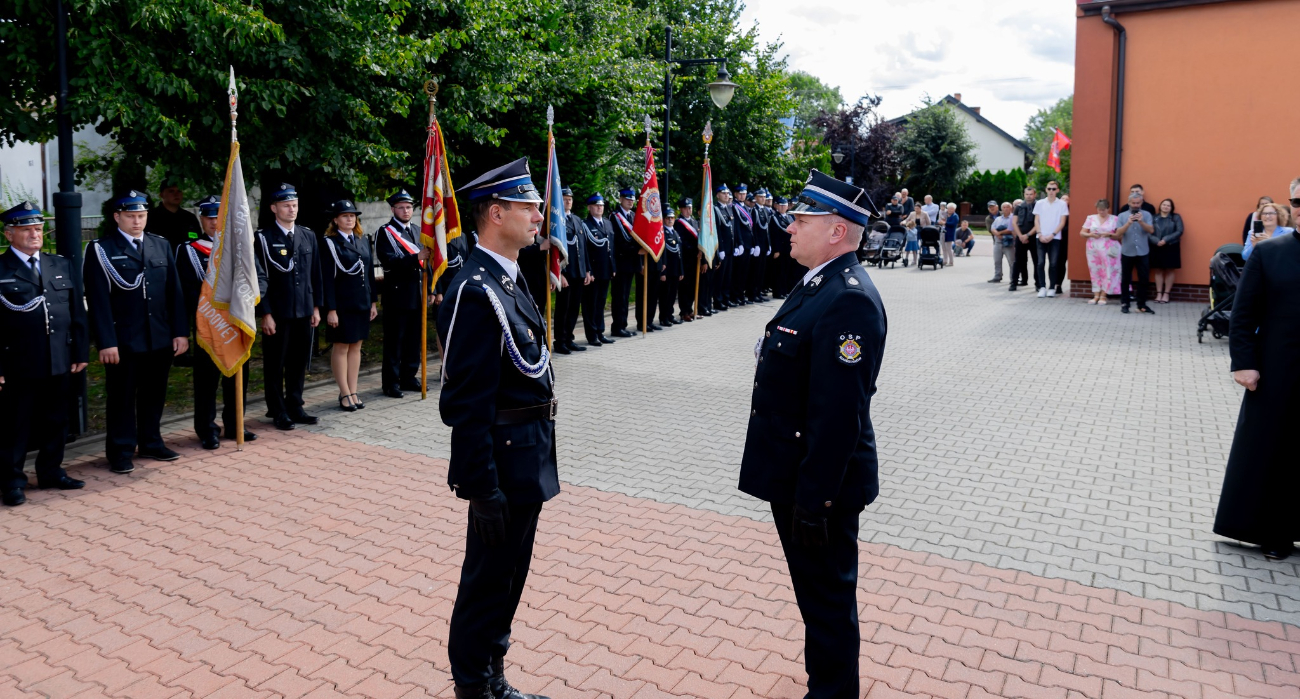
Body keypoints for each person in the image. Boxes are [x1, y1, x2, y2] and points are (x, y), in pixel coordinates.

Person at [739, 169, 886, 699]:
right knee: (817, 598)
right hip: (797, 477)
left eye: (802, 219)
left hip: (818, 487)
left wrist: (814, 502)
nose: (790, 227)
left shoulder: (849, 300)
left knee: (827, 604)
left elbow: (838, 416)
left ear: (837, 231)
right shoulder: (817, 285)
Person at [436, 158, 556, 699]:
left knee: (510, 579)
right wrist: (480, 486)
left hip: (527, 454)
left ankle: (494, 677)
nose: (539, 214)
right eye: (528, 206)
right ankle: (472, 687)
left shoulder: (509, 277)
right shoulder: (473, 289)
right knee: (486, 582)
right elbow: (465, 402)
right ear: (495, 212)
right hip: (499, 465)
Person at [1214, 177, 1300, 561]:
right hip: (1277, 369)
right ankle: (1274, 533)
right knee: (1275, 452)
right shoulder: (1270, 253)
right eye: (1297, 202)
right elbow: (1243, 313)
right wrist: (1244, 364)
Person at [83, 191, 189, 474]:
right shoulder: (101, 249)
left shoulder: (160, 245)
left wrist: (180, 332)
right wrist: (106, 342)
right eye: (130, 216)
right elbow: (98, 301)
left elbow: (173, 293)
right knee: (122, 397)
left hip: (159, 335)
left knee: (154, 393)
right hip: (124, 339)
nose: (137, 221)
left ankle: (151, 441)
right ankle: (120, 449)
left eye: (141, 215)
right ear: (117, 217)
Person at [0, 202, 88, 505]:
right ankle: (12, 481)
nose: (34, 234)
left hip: (59, 357)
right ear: (9, 234)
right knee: (16, 424)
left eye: (38, 228)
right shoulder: (1, 269)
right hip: (18, 361)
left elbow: (76, 313)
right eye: (26, 229)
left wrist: (80, 351)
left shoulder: (59, 265)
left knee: (56, 419)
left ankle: (51, 470)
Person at [178, 196, 255, 449]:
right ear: (201, 219)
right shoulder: (189, 250)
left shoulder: (240, 248)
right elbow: (186, 289)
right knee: (206, 381)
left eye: (219, 217)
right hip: (208, 324)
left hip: (235, 321)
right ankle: (207, 429)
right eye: (210, 217)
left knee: (237, 376)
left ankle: (235, 425)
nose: (215, 222)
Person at [254, 183, 323, 431]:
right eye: (286, 205)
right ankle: (277, 409)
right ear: (274, 208)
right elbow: (260, 279)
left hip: (303, 309)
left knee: (298, 361)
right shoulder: (263, 238)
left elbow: (316, 275)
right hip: (279, 313)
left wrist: (316, 308)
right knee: (275, 363)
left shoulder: (308, 235)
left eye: (294, 205)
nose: (291, 209)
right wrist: (266, 313)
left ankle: (295, 405)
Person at [321, 200, 378, 412]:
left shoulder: (362, 240)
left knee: (357, 346)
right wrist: (331, 309)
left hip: (361, 302)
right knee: (342, 346)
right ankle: (344, 393)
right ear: (335, 220)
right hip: (342, 304)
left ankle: (353, 391)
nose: (349, 219)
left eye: (352, 215)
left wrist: (373, 301)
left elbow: (370, 272)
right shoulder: (330, 243)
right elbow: (327, 279)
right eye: (345, 216)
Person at [375, 189, 427, 399]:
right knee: (395, 341)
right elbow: (389, 262)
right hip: (397, 295)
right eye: (401, 207)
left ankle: (409, 377)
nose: (406, 211)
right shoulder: (385, 231)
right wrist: (415, 258)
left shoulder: (416, 230)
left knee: (413, 340)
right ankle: (391, 383)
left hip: (416, 293)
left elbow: (425, 264)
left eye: (409, 207)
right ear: (393, 209)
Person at [552, 187, 590, 354]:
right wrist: (559, 273)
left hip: (579, 272)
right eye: (565, 199)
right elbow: (554, 250)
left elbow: (584, 247)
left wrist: (587, 270)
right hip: (566, 273)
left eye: (570, 199)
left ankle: (569, 338)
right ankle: (560, 342)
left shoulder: (576, 220)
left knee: (575, 308)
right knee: (563, 309)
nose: (568, 201)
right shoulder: (556, 221)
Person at [581, 194, 615, 346]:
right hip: (593, 271)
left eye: (601, 205)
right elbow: (585, 251)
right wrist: (588, 270)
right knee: (591, 304)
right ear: (589, 208)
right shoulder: (585, 225)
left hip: (606, 270)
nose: (599, 208)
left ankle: (600, 332)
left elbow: (611, 249)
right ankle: (592, 334)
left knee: (601, 302)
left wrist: (613, 267)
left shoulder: (607, 223)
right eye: (595, 205)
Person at [1115, 193, 1155, 314]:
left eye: (1138, 203)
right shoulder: (1122, 216)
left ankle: (1141, 304)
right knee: (1126, 278)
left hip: (1143, 251)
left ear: (1141, 203)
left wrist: (1141, 222)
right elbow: (1118, 234)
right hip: (1127, 251)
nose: (1136, 205)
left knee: (1144, 279)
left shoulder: (1146, 215)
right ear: (1129, 203)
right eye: (1133, 203)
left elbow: (1151, 230)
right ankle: (1125, 303)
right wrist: (1128, 223)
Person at [609, 188, 639, 337]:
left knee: (626, 296)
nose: (630, 201)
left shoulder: (634, 216)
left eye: (632, 199)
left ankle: (623, 325)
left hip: (631, 263)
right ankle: (617, 327)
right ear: (620, 199)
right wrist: (636, 250)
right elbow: (619, 242)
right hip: (620, 262)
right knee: (619, 296)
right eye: (627, 199)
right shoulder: (615, 217)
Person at [1032, 180, 1070, 297]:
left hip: (1055, 238)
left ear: (1057, 190)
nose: (1051, 191)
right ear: (1046, 190)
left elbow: (1062, 222)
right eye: (1049, 189)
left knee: (1054, 264)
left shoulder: (1062, 204)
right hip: (1040, 237)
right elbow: (1036, 220)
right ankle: (1042, 287)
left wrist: (1052, 235)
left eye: (1054, 189)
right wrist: (1040, 234)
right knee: (1040, 263)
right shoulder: (1039, 203)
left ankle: (1052, 287)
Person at [1080, 198, 1121, 305]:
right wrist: (1091, 235)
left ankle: (1104, 295)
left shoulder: (1115, 219)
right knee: (1095, 271)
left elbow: (1119, 235)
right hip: (1093, 249)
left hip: (1109, 249)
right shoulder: (1091, 218)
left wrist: (1109, 234)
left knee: (1108, 271)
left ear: (1108, 209)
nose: (1101, 212)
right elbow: (1082, 233)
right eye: (1099, 209)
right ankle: (1096, 295)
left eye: (1103, 210)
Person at [1149, 198, 1183, 304]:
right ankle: (1159, 293)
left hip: (1171, 246)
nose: (1166, 207)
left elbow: (1179, 231)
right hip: (1156, 245)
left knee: (1169, 270)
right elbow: (1148, 231)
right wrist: (1156, 240)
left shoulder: (1175, 217)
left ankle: (1166, 294)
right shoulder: (1154, 218)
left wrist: (1166, 239)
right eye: (1164, 204)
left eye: (1168, 205)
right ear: (1160, 206)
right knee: (1158, 270)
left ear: (1171, 208)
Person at [674, 198, 705, 317]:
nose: (688, 210)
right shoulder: (678, 223)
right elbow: (681, 242)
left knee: (693, 285)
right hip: (685, 259)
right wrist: (694, 250)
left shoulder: (695, 222)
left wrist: (700, 250)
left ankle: (690, 309)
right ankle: (684, 311)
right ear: (681, 209)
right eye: (686, 208)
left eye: (690, 208)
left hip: (695, 259)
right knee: (684, 287)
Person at [149, 181, 202, 248]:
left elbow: (199, 242)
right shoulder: (151, 217)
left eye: (179, 191)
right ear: (161, 195)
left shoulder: (189, 218)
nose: (176, 194)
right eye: (171, 191)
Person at [657, 208, 684, 326]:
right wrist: (662, 272)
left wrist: (681, 271)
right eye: (668, 218)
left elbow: (679, 254)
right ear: (663, 219)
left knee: (673, 295)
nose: (670, 220)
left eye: (672, 218)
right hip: (667, 270)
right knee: (665, 296)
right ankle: (664, 317)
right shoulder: (662, 233)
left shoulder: (675, 232)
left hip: (675, 270)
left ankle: (670, 315)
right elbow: (662, 254)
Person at [712, 184, 735, 312]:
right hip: (723, 249)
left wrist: (737, 244)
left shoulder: (729, 208)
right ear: (718, 195)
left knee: (727, 276)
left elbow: (733, 229)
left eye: (727, 193)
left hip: (730, 248)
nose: (726, 195)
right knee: (720, 277)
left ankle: (725, 299)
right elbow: (718, 231)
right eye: (723, 193)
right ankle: (718, 301)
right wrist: (720, 248)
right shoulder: (716, 209)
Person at [1010, 187, 1038, 291]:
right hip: (1020, 237)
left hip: (1034, 237)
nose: (1029, 196)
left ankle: (1038, 284)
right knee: (1018, 261)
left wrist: (1028, 235)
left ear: (1034, 194)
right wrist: (1021, 236)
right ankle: (1013, 283)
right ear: (1024, 195)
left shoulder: (1038, 206)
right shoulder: (1018, 207)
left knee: (1037, 261)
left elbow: (1039, 223)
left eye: (1031, 194)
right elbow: (1014, 222)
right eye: (1027, 194)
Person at [989, 201, 1015, 283]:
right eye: (1004, 207)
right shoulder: (998, 219)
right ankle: (997, 276)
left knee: (1011, 261)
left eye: (1007, 207)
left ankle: (1013, 278)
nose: (1006, 209)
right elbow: (992, 228)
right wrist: (996, 233)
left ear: (1011, 208)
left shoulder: (1013, 218)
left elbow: (1011, 229)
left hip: (1009, 243)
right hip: (998, 242)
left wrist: (1000, 233)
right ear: (1001, 209)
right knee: (997, 260)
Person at [904, 203, 925, 267]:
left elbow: (928, 222)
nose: (916, 209)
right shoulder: (912, 213)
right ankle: (906, 259)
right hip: (909, 241)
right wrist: (904, 222)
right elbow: (907, 219)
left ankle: (916, 260)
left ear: (920, 208)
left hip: (920, 229)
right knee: (907, 251)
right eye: (915, 208)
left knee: (915, 250)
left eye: (917, 208)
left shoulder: (924, 214)